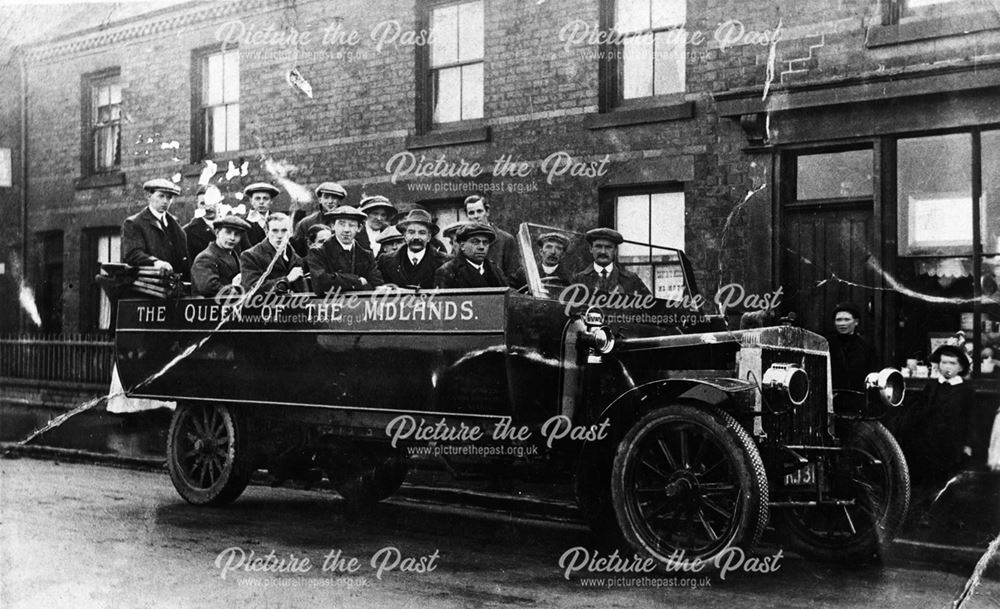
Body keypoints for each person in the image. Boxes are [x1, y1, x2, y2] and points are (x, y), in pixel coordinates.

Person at [901, 345, 977, 522]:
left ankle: (949, 516)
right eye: (943, 362)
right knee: (928, 478)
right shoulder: (933, 386)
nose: (947, 367)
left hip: (953, 443)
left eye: (952, 363)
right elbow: (920, 414)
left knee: (950, 480)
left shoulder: (966, 390)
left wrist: (968, 444)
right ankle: (925, 514)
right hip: (929, 441)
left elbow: (971, 419)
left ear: (960, 367)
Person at [121, 178, 190, 279]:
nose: (165, 201)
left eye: (169, 197)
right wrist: (155, 262)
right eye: (161, 196)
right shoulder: (134, 223)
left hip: (177, 285)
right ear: (149, 196)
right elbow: (133, 254)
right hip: (150, 285)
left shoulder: (174, 223)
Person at [306, 205, 383, 294]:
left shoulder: (366, 255)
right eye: (341, 224)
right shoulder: (319, 252)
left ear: (359, 228)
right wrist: (357, 281)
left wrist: (336, 278)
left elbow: (376, 284)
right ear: (332, 226)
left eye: (351, 225)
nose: (346, 230)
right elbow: (321, 282)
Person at [240, 213, 307, 294]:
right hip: (263, 305)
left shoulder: (296, 259)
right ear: (266, 231)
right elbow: (251, 289)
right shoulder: (251, 256)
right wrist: (287, 279)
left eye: (284, 230)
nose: (279, 235)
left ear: (291, 232)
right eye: (275, 231)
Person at [571, 228, 651, 296]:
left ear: (615, 250)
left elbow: (651, 307)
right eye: (598, 246)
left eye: (608, 247)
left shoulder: (632, 280)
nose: (603, 252)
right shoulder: (579, 280)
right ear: (591, 249)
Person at [380, 209, 446, 289]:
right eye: (411, 232)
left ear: (429, 237)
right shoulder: (385, 261)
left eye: (422, 233)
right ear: (404, 235)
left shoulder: (444, 262)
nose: (416, 237)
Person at [434, 223, 507, 289]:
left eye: (485, 243)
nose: (481, 247)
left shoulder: (495, 270)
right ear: (462, 246)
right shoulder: (448, 271)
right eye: (475, 242)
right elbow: (444, 302)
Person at [191, 215, 249, 297]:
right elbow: (208, 288)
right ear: (217, 233)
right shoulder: (205, 258)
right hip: (208, 307)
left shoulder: (235, 255)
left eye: (237, 234)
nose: (232, 238)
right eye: (228, 232)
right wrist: (236, 290)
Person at [463, 195, 520, 279]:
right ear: (467, 215)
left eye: (479, 211)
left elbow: (513, 276)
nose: (476, 216)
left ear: (487, 212)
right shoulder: (463, 241)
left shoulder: (505, 240)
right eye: (471, 213)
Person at [827, 302, 879, 392]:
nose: (842, 324)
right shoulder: (826, 344)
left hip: (858, 398)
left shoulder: (866, 346)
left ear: (856, 322)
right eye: (838, 320)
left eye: (847, 319)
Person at [292, 182, 346, 256]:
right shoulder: (306, 223)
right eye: (326, 197)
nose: (330, 201)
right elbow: (297, 251)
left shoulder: (346, 223)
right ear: (320, 200)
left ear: (339, 201)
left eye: (334, 197)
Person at [511, 232, 571, 297]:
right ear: (541, 252)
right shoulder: (525, 272)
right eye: (549, 247)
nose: (553, 252)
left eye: (558, 248)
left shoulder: (569, 277)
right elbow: (511, 290)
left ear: (563, 255)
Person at [182, 185, 216, 262]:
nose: (207, 208)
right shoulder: (187, 232)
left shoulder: (232, 227)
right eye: (203, 203)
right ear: (197, 204)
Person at [243, 182, 280, 248]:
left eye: (265, 198)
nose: (261, 202)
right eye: (257, 198)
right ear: (251, 201)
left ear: (271, 201)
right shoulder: (243, 222)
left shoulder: (278, 220)